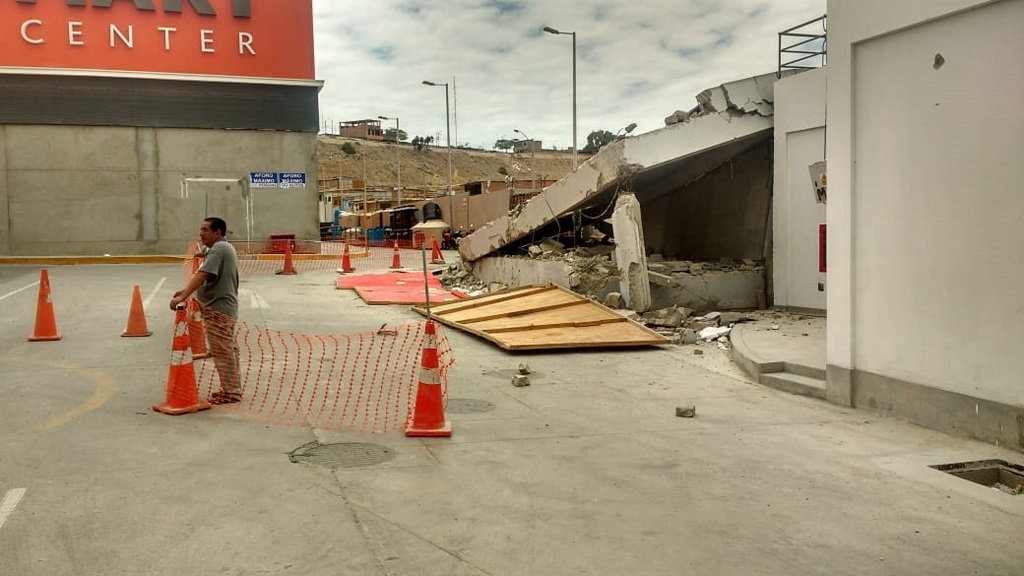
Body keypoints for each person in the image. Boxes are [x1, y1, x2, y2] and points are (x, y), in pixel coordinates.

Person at [170, 217, 240, 404]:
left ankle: (232, 391)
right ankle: (231, 388)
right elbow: (208, 276)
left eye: (205, 230)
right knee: (226, 350)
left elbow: (203, 275)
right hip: (222, 307)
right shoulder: (221, 248)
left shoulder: (219, 249)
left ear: (218, 233)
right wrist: (184, 292)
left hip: (219, 309)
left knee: (222, 351)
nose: (201, 233)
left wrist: (182, 297)